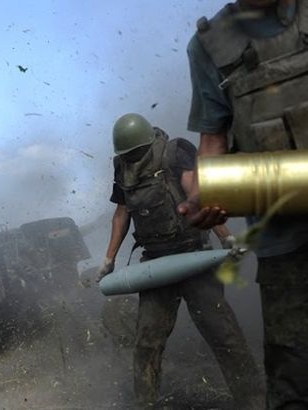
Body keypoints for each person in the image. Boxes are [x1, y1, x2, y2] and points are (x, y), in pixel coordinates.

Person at [183, 1, 308, 407]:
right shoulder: (208, 45)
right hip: (284, 245)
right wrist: (207, 191)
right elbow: (213, 140)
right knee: (294, 380)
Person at [93, 113, 263, 408]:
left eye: (135, 152)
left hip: (192, 255)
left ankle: (255, 401)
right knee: (147, 343)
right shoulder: (122, 168)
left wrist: (225, 238)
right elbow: (122, 213)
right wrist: (109, 259)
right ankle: (145, 403)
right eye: (127, 154)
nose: (132, 158)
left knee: (225, 337)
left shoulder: (174, 153)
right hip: (155, 265)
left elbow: (197, 196)